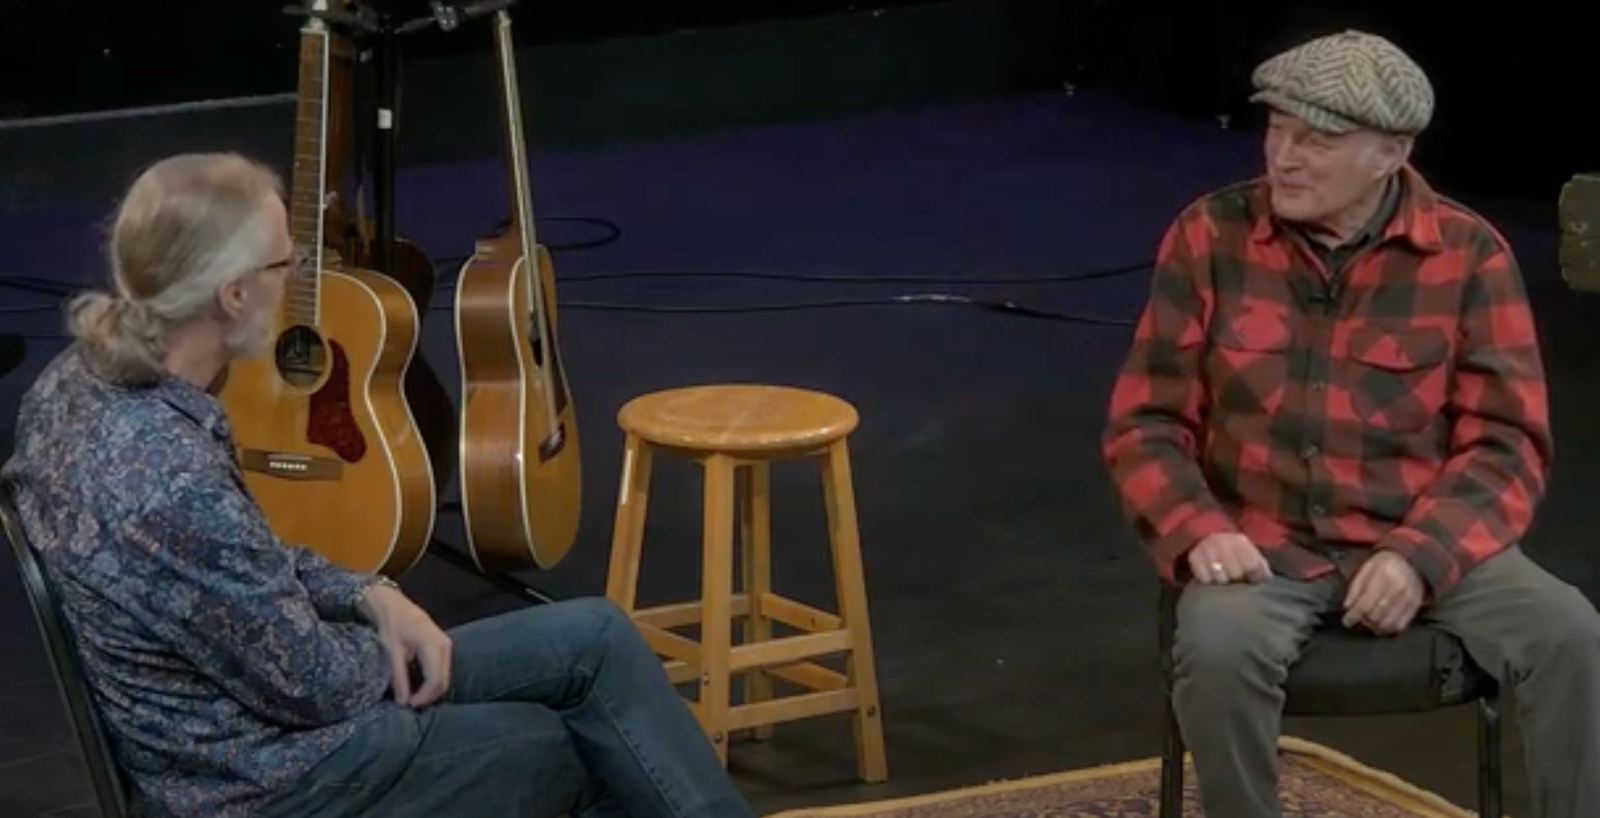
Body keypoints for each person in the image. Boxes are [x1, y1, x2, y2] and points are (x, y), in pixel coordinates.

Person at [0, 153, 757, 818]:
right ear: (232, 295)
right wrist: (385, 638)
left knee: (596, 638)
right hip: (271, 780)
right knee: (572, 744)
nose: (299, 279)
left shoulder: (72, 385)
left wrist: (371, 593)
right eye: (286, 264)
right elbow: (314, 685)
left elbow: (242, 563)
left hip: (238, 727)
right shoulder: (168, 480)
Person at [1102, 30, 1600, 818]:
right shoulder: (1210, 234)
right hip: (1262, 542)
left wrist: (1419, 556)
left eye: (1319, 141)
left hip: (1420, 528)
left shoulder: (1468, 255)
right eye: (1277, 130)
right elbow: (1146, 420)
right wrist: (1198, 530)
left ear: (1390, 154)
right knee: (1219, 650)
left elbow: (1507, 444)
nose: (1285, 157)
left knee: (1571, 635)